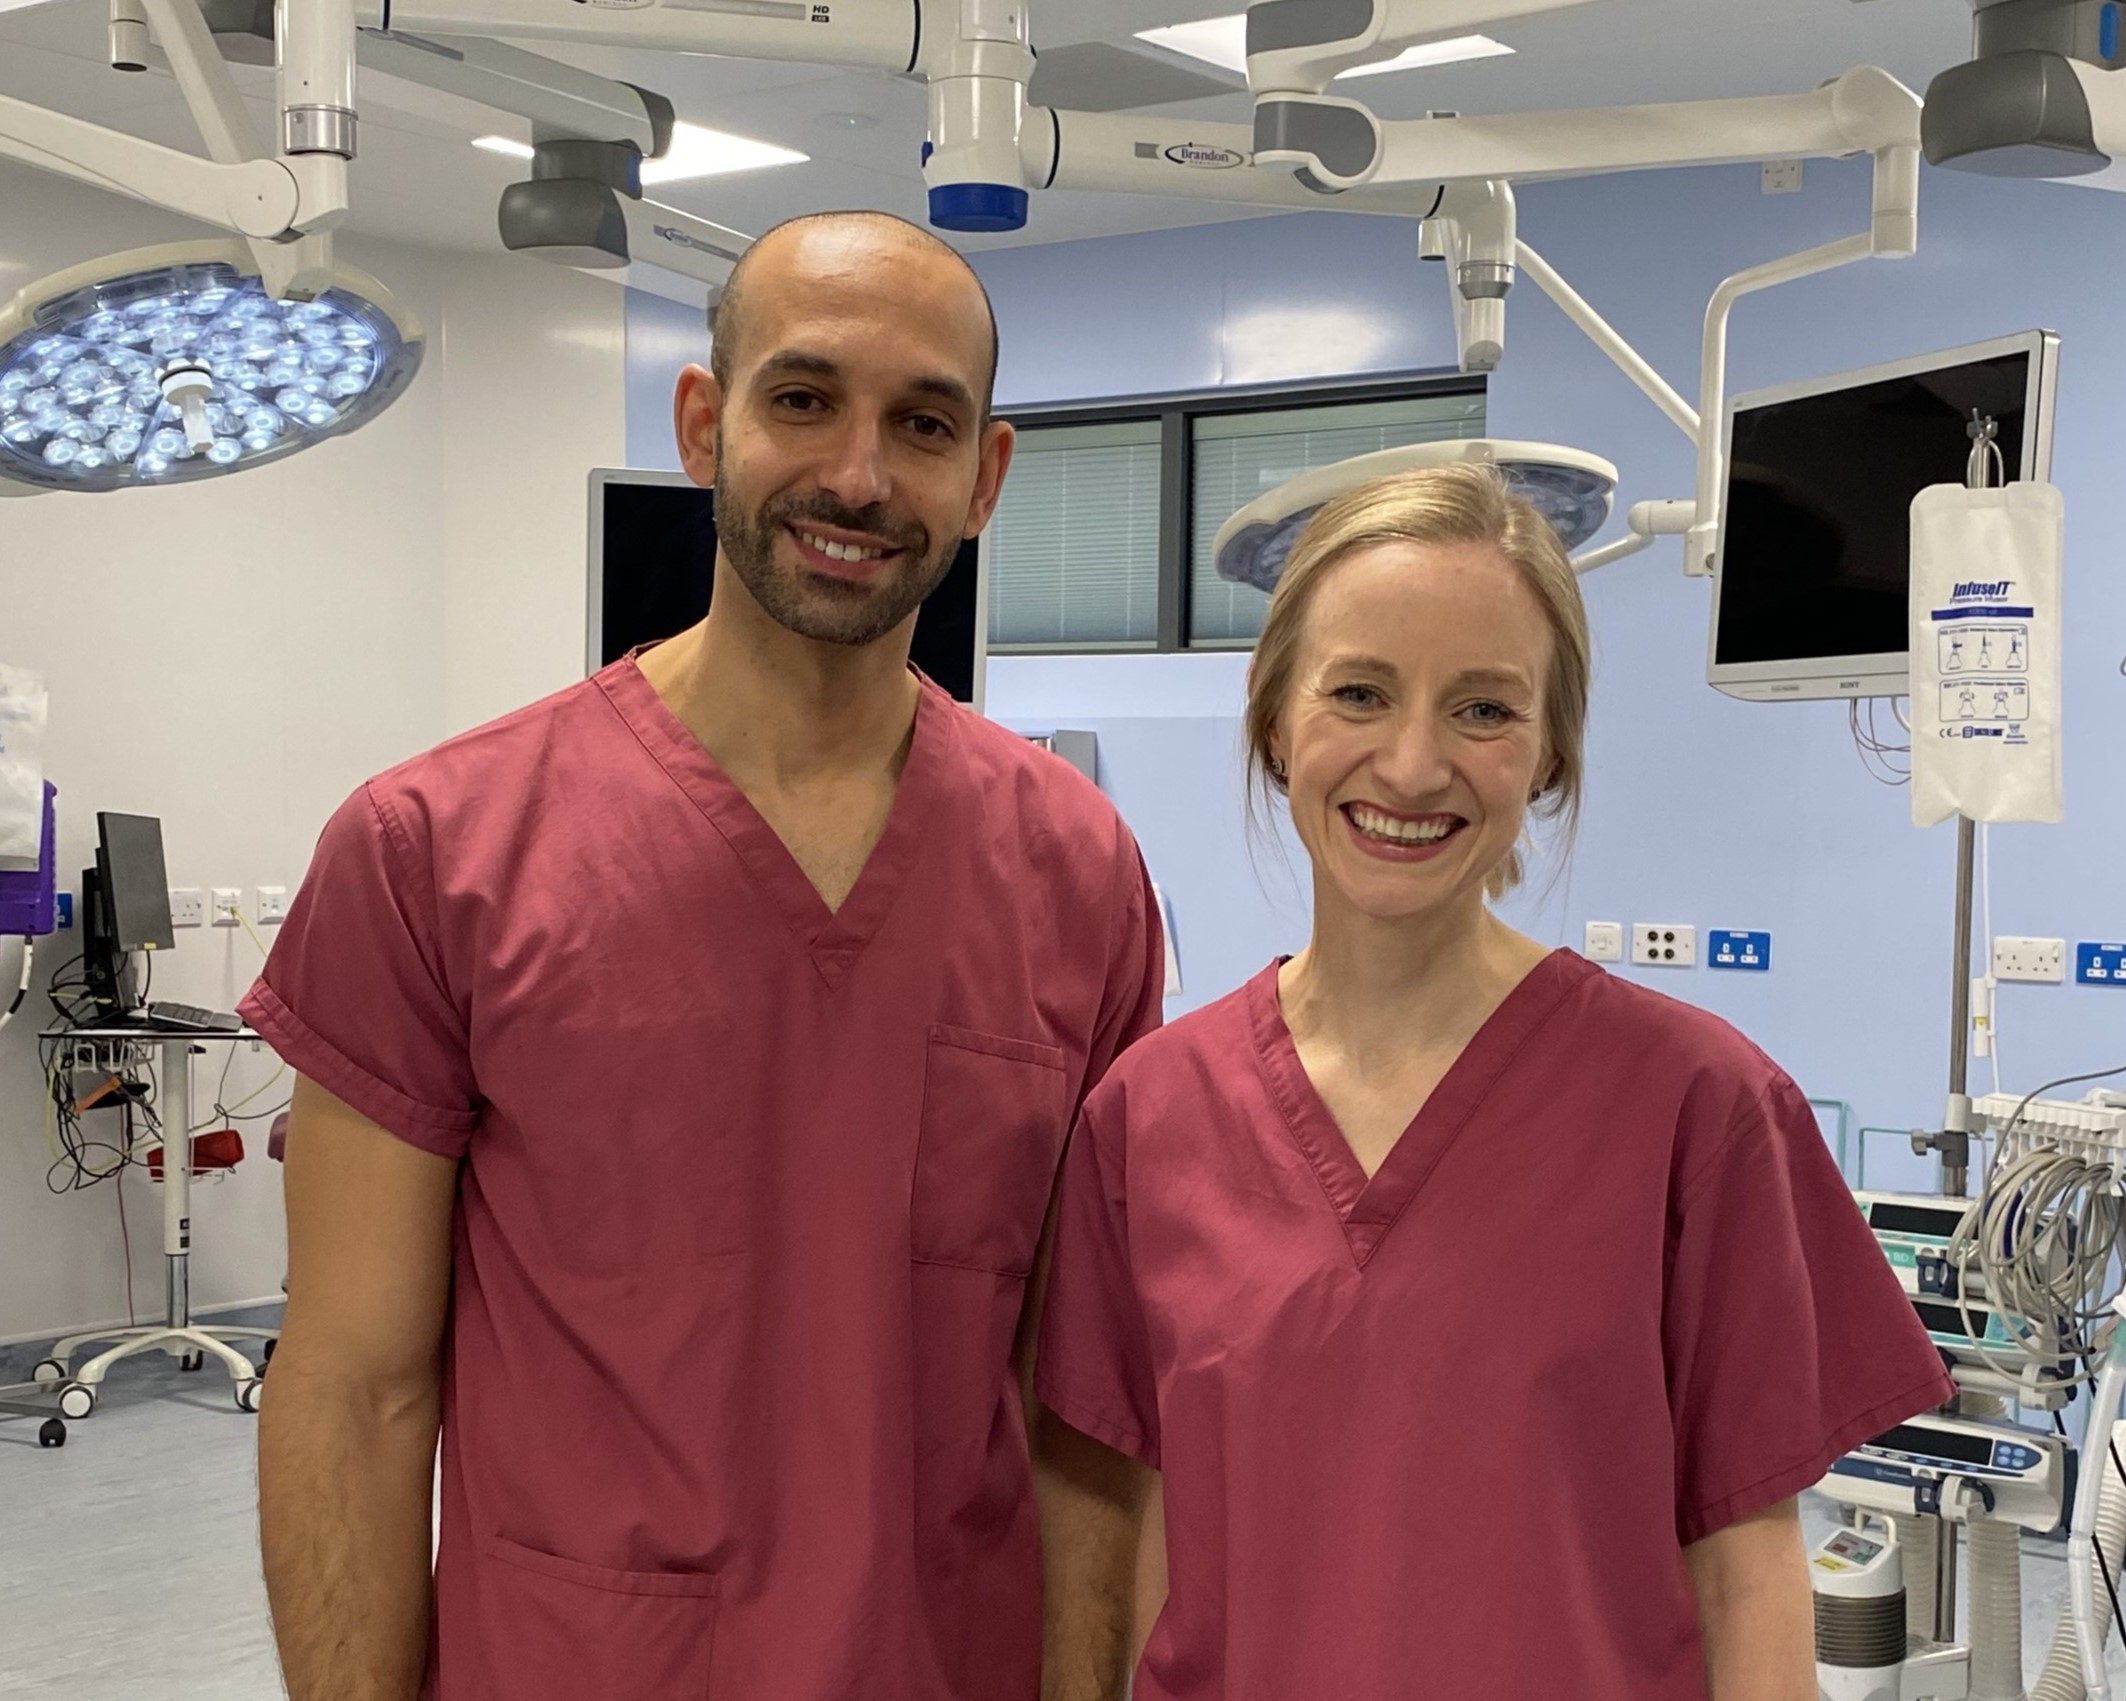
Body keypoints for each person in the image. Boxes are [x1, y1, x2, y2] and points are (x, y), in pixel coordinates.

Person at [243, 210, 1164, 1701]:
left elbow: (1083, 1410)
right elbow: (354, 1388)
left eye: (921, 423)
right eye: (801, 399)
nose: (858, 476)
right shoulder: (435, 852)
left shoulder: (1077, 875)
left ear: (984, 478)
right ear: (702, 424)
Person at [1034, 464, 1955, 1700]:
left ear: (1550, 755)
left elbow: (1744, 1568)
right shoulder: (1148, 1124)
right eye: (1358, 693)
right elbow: (1129, 1538)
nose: (1412, 766)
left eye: (1482, 710)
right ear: (1272, 724)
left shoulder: (1697, 1108)